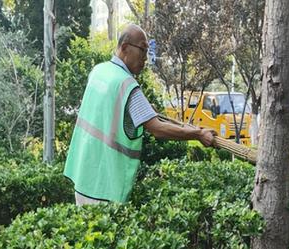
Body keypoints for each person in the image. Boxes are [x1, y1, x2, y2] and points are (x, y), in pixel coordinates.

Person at [64, 24, 215, 205]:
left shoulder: (99, 71)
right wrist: (198, 134)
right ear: (125, 47)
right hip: (105, 185)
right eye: (143, 50)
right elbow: (157, 129)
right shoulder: (126, 84)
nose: (146, 58)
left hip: (83, 174)